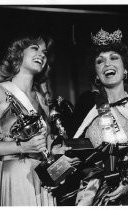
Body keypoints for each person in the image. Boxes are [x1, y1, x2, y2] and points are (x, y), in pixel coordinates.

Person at [66, 28, 128, 206]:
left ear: (125, 68)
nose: (107, 64)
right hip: (95, 195)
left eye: (114, 58)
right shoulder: (86, 104)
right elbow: (72, 151)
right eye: (100, 61)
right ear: (96, 73)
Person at [0, 33, 76, 206]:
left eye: (44, 52)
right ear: (17, 53)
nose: (42, 54)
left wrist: (57, 153)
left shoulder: (41, 98)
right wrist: (22, 146)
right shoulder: (2, 92)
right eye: (34, 48)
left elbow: (45, 144)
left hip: (44, 178)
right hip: (16, 175)